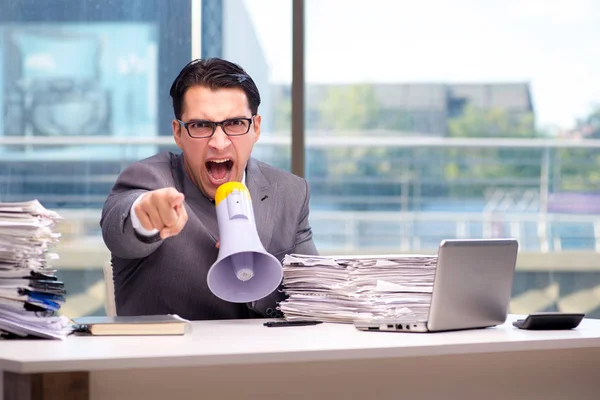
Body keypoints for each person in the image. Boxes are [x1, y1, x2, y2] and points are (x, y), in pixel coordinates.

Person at [100, 58, 318, 320]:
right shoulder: (149, 179)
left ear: (256, 128)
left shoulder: (290, 192)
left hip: (266, 357)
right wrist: (146, 216)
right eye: (201, 126)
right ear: (178, 133)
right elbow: (119, 230)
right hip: (171, 358)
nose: (219, 142)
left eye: (235, 123)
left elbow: (313, 293)